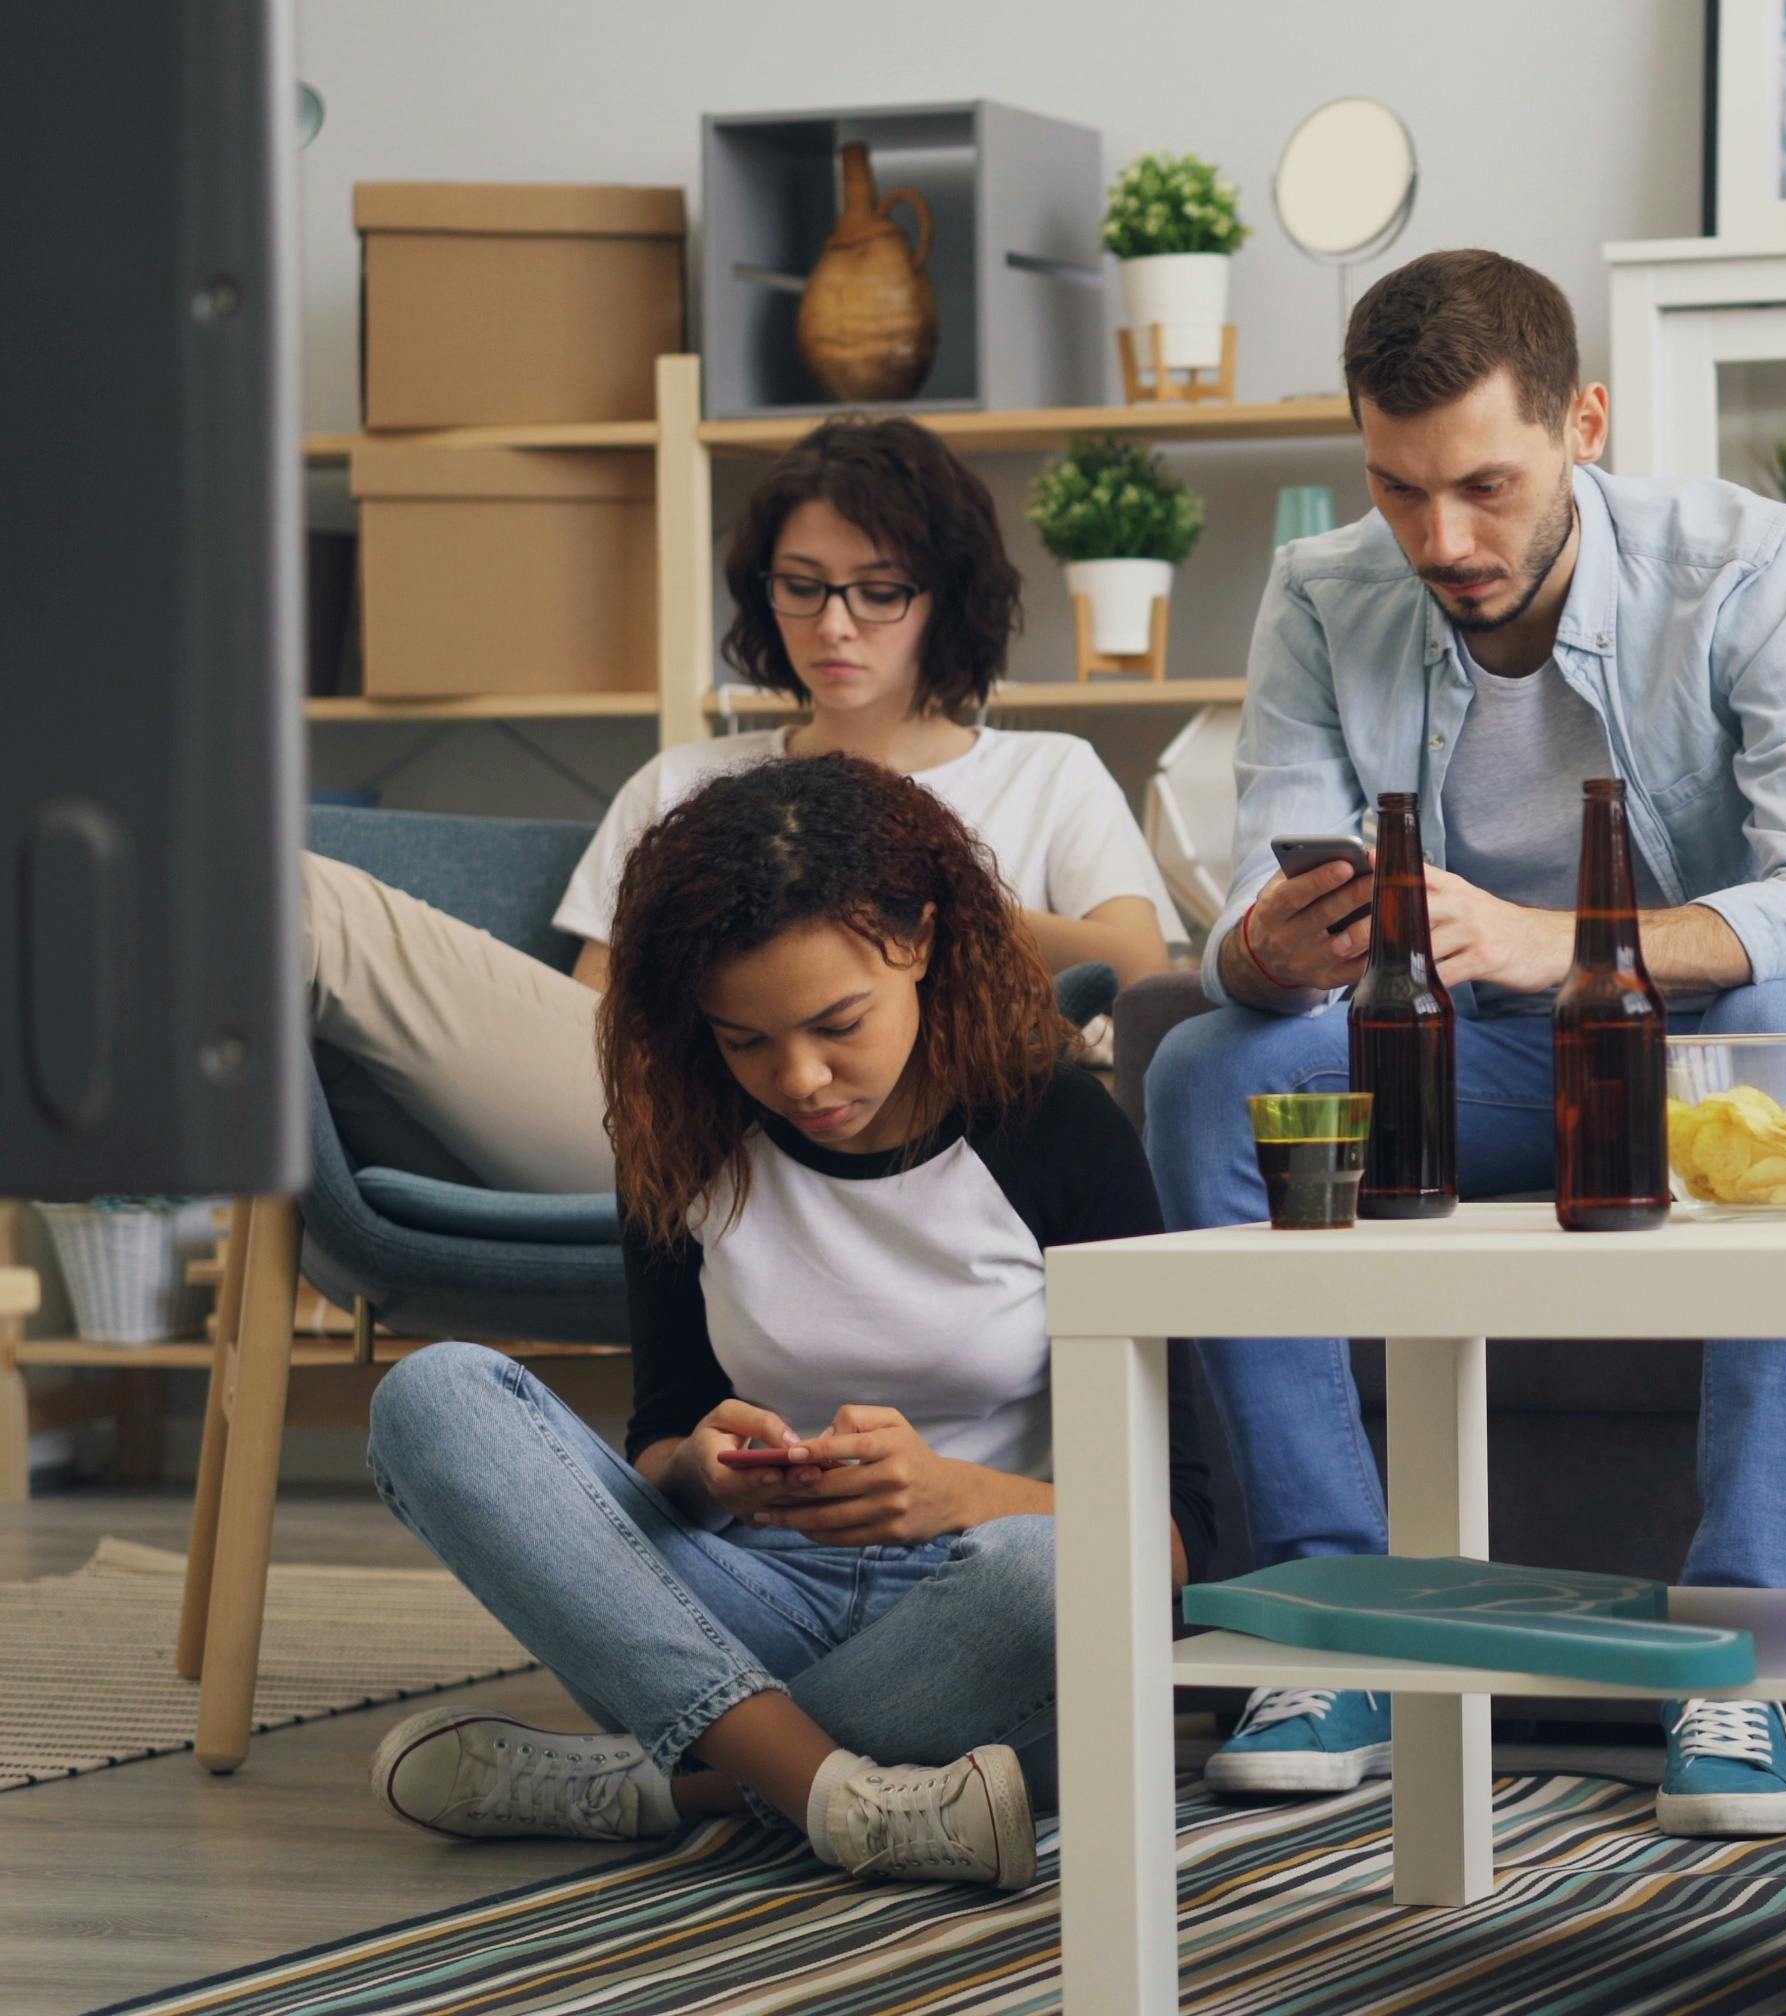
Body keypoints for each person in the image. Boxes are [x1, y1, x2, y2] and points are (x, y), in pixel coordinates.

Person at [1143, 248, 1786, 1840]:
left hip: (1681, 1071)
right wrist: (1257, 950)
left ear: (1586, 425)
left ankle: (1730, 1653)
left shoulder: (1752, 566)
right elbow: (1275, 878)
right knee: (1212, 1066)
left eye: (1485, 486)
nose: (1443, 541)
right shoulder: (1323, 592)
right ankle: (1327, 1625)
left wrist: (1569, 948)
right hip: (1446, 1068)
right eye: (1399, 491)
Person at [361, 754, 1237, 1890]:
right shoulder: (684, 1138)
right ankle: (844, 1799)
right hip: (741, 1602)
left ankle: (675, 1783)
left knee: (1048, 1577)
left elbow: (1190, 1533)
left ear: (917, 941)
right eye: (745, 1041)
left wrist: (964, 1496)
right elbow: (664, 1435)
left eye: (839, 1022)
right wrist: (700, 1474)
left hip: (978, 1622)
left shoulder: (1050, 1123)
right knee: (432, 1396)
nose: (803, 1077)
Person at [302, 415, 1180, 1196]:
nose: (835, 625)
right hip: (676, 1118)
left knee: (306, 902)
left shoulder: (1048, 772)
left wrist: (913, 890)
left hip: (907, 1141)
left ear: (946, 601)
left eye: (879, 592)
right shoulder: (682, 779)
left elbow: (1138, 976)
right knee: (304, 911)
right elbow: (604, 1021)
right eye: (802, 586)